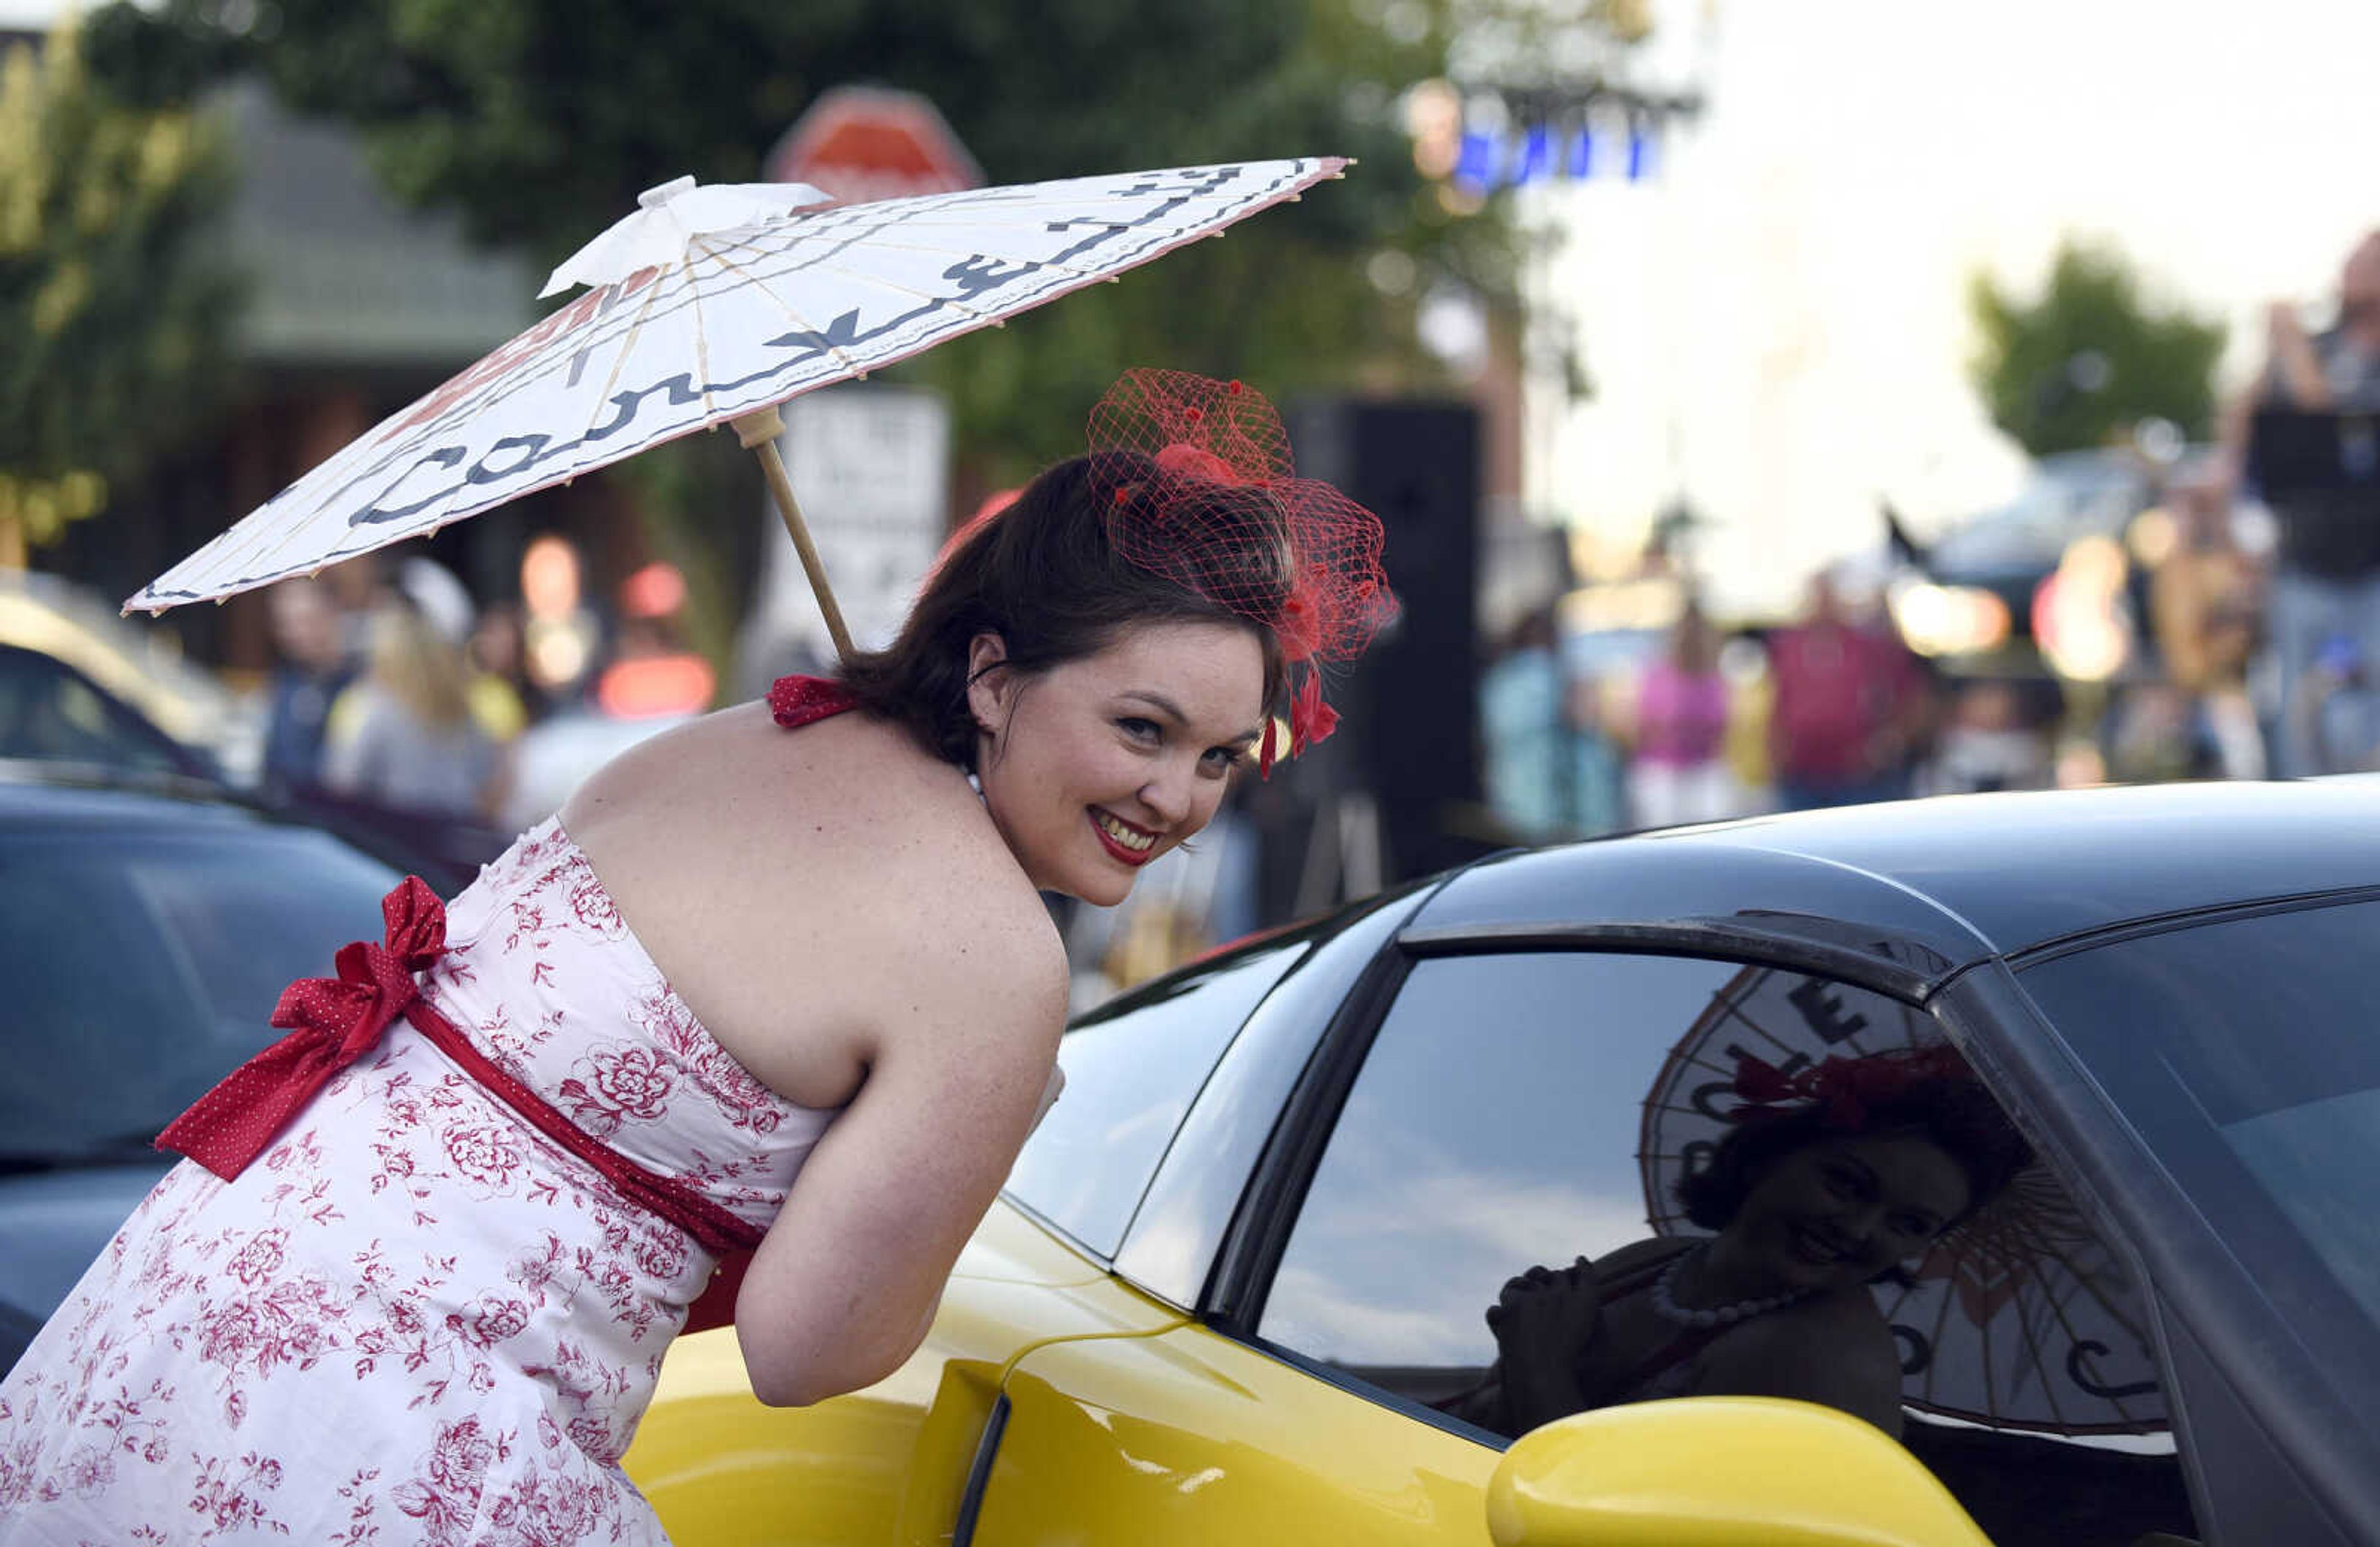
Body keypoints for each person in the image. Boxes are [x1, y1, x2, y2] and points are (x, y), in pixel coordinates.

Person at [0, 370, 1393, 1543]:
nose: (1179, 799)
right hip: (395, 1424)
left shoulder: (732, 738)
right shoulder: (992, 960)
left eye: (1222, 757)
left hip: (179, 1307)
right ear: (990, 677)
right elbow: (809, 1353)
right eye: (1140, 730)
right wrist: (990, 1118)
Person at [1447, 1045, 2030, 1440]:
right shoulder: (1659, 1261)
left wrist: (1542, 1364)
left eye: (1908, 1225)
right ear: (1774, 1152)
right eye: (1846, 1184)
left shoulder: (1822, 1363)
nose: (1856, 1230)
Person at [2218, 230, 2380, 775]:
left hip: (2372, 570)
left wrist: (2293, 350)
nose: (2350, 274)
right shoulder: (2322, 344)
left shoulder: (2335, 358)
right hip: (2304, 564)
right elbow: (2242, 431)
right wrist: (2270, 353)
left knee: (2367, 713)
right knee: (2295, 716)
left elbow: (2334, 423)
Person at [322, 591, 506, 822]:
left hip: (393, 840)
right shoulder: (460, 705)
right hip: (454, 835)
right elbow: (486, 776)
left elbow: (343, 784)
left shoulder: (367, 707)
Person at [1766, 569, 1931, 810]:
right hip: (1801, 773)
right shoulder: (1788, 646)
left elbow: (1908, 692)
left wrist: (1891, 741)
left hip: (1854, 776)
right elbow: (1778, 700)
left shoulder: (1868, 647)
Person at [1624, 598, 1739, 828]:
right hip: (1663, 771)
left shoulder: (1714, 677)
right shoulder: (1657, 675)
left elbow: (1720, 727)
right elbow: (1645, 727)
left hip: (1702, 769)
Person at [257, 574, 362, 798]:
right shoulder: (285, 680)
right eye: (284, 623)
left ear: (332, 614)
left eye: (305, 621)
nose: (294, 634)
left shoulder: (360, 685)